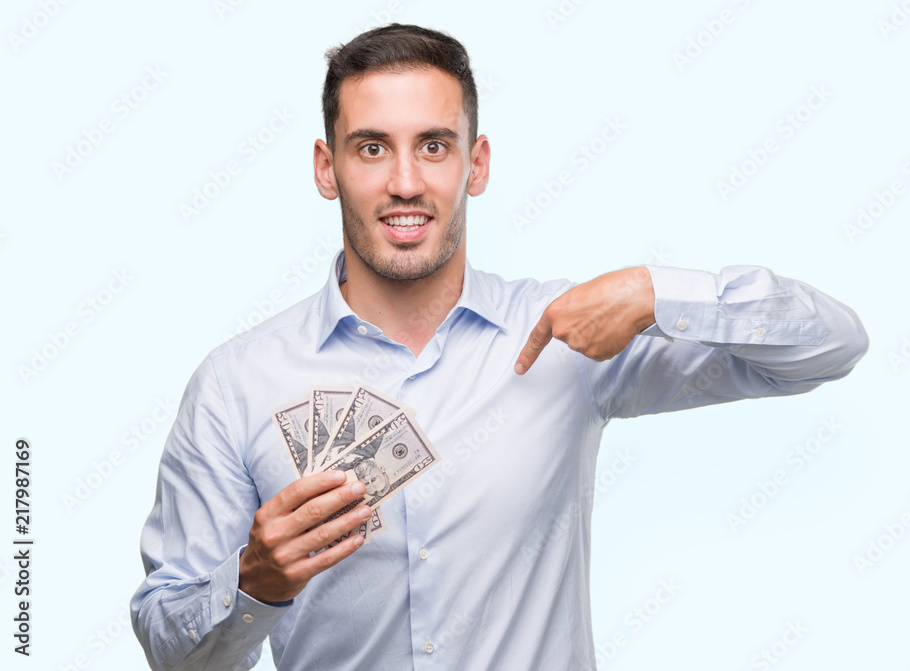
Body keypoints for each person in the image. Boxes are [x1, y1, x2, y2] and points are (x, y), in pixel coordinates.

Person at [131, 23, 869, 671]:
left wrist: (657, 291)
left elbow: (831, 345)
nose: (405, 182)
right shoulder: (237, 384)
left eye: (433, 145)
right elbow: (171, 650)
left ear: (475, 164)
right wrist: (254, 581)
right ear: (328, 168)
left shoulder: (567, 336)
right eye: (370, 148)